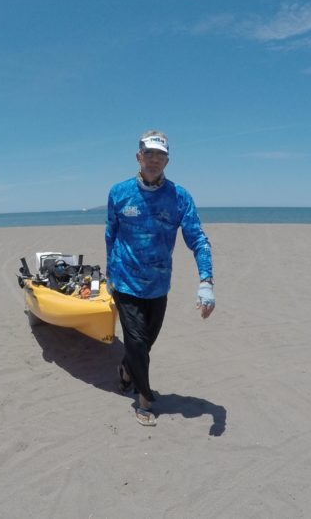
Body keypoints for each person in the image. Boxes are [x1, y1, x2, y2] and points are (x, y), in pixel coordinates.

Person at [105, 130, 215, 426]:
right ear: (138, 156)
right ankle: (144, 400)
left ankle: (127, 371)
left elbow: (199, 239)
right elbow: (110, 234)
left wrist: (206, 282)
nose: (154, 160)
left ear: (167, 160)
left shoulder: (179, 198)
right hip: (126, 281)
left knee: (144, 344)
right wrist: (110, 273)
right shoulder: (119, 193)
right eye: (149, 154)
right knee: (138, 344)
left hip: (158, 285)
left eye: (160, 155)